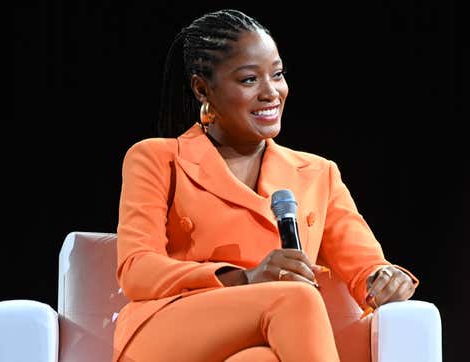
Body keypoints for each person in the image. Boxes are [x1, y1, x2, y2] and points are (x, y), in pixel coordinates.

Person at [113, 9, 419, 362]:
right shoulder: (156, 158)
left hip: (270, 337)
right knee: (297, 298)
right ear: (202, 88)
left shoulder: (317, 174)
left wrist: (383, 279)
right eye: (248, 80)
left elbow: (366, 265)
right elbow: (137, 270)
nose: (271, 92)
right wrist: (245, 278)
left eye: (277, 75)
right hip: (170, 332)